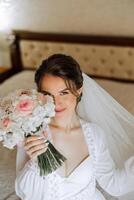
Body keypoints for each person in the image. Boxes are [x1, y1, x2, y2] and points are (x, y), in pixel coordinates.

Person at [15, 54, 134, 200]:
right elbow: (24, 194)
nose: (56, 102)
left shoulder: (94, 135)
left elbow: (113, 184)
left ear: (78, 90)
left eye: (63, 93)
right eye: (47, 94)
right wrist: (35, 163)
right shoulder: (32, 131)